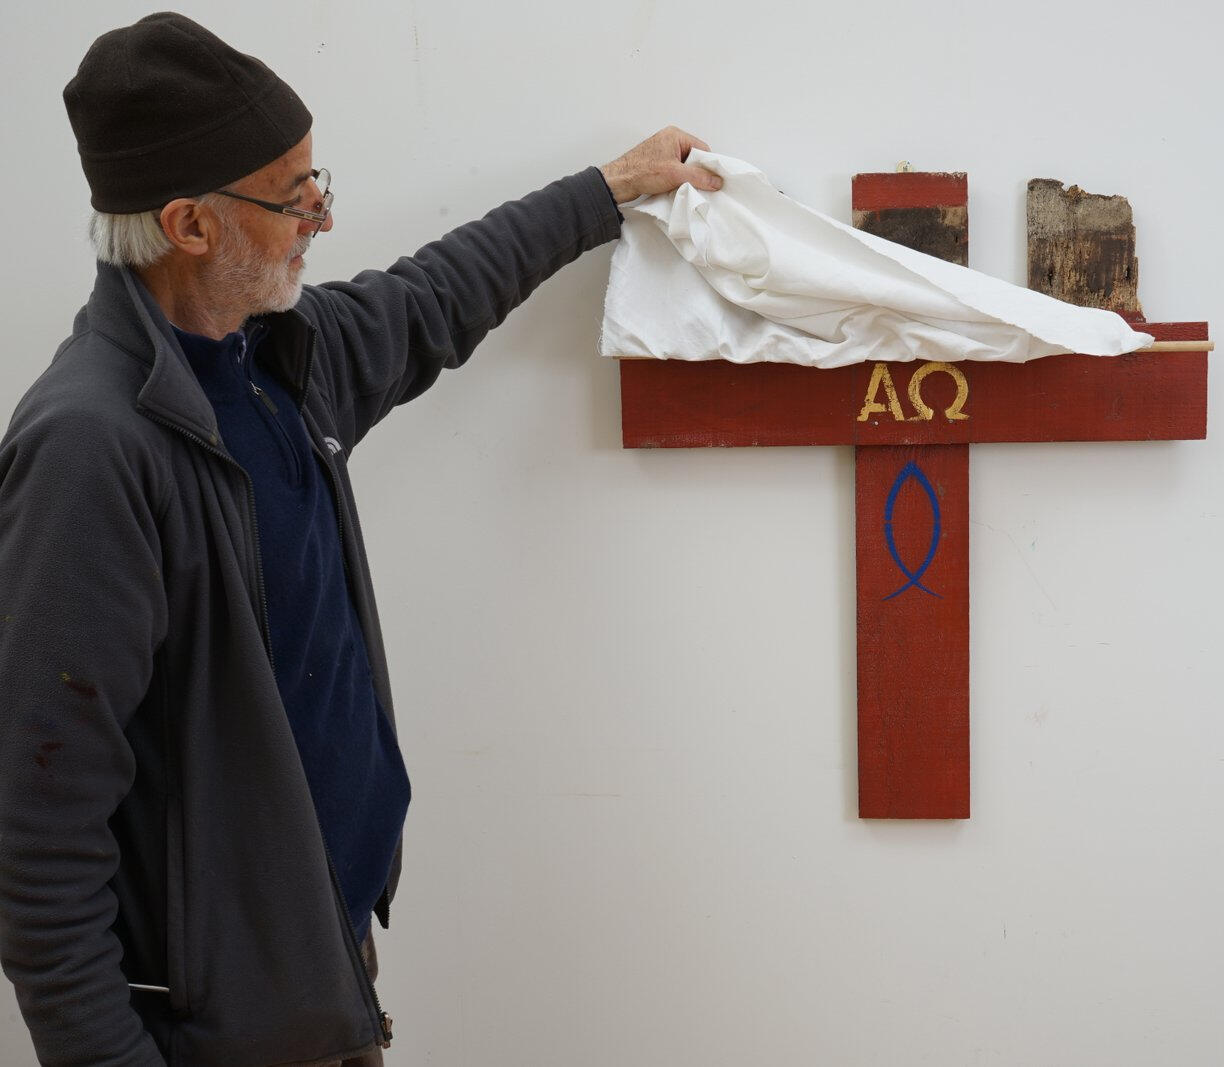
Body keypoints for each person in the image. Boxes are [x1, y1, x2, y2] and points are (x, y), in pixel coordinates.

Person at [0, 12, 720, 1066]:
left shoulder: (279, 360)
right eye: (293, 197)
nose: (319, 217)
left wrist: (607, 190)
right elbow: (37, 840)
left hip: (322, 975)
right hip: (217, 1031)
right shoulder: (90, 451)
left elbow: (436, 294)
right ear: (191, 225)